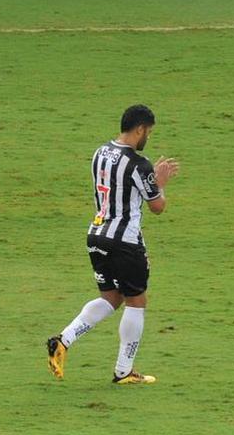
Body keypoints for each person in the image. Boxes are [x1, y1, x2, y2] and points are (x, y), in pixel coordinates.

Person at [47, 105, 179, 385]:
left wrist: (149, 180)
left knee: (111, 298)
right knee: (136, 300)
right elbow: (157, 206)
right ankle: (124, 371)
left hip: (96, 234)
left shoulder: (100, 153)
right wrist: (160, 183)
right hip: (124, 241)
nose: (148, 138)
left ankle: (63, 340)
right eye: (149, 132)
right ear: (140, 129)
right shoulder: (138, 164)